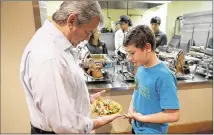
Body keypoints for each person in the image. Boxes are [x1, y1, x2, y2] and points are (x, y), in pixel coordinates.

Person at [20, 1, 121, 134]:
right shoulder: (49, 57)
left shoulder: (58, 44)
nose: (87, 39)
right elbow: (64, 125)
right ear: (71, 20)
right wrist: (98, 122)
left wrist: (85, 98)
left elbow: (60, 92)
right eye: (88, 32)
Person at [123, 25, 180, 134]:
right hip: (136, 127)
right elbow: (136, 91)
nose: (130, 58)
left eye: (132, 53)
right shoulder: (140, 68)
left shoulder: (164, 76)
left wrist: (142, 118)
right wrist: (131, 108)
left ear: (147, 48)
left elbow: (174, 115)